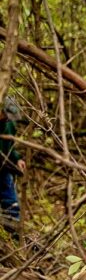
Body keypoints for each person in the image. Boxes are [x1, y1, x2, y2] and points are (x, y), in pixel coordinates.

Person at [0, 96, 27, 233]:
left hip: (3, 169)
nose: (6, 117)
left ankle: (15, 234)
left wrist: (17, 159)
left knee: (12, 203)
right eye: (4, 114)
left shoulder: (10, 125)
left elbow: (9, 147)